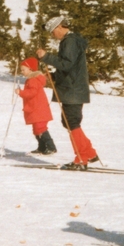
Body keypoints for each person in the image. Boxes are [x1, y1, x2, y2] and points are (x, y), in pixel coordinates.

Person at [37, 17, 98, 169]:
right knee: (70, 122)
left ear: (59, 27)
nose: (52, 36)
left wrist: (46, 57)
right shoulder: (73, 41)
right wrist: (55, 76)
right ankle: (89, 153)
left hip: (72, 90)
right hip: (74, 88)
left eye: (52, 32)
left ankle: (82, 159)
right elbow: (72, 66)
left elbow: (67, 64)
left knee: (71, 122)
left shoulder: (69, 41)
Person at [17, 57, 56, 155]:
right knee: (36, 129)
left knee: (40, 128)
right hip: (35, 108)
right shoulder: (31, 80)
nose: (22, 72)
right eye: (21, 70)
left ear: (30, 69)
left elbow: (32, 93)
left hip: (38, 108)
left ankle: (51, 147)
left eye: (23, 69)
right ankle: (42, 147)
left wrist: (21, 92)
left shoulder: (33, 80)